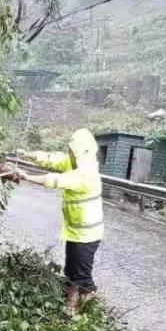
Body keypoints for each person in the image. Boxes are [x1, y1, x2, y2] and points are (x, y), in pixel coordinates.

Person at [14, 129, 104, 312]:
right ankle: (71, 306)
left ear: (81, 152)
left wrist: (27, 176)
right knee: (71, 271)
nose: (69, 154)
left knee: (82, 276)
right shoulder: (74, 164)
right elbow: (51, 158)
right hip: (76, 230)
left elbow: (55, 180)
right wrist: (28, 154)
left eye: (73, 151)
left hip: (86, 234)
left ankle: (86, 309)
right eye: (70, 150)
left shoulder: (85, 173)